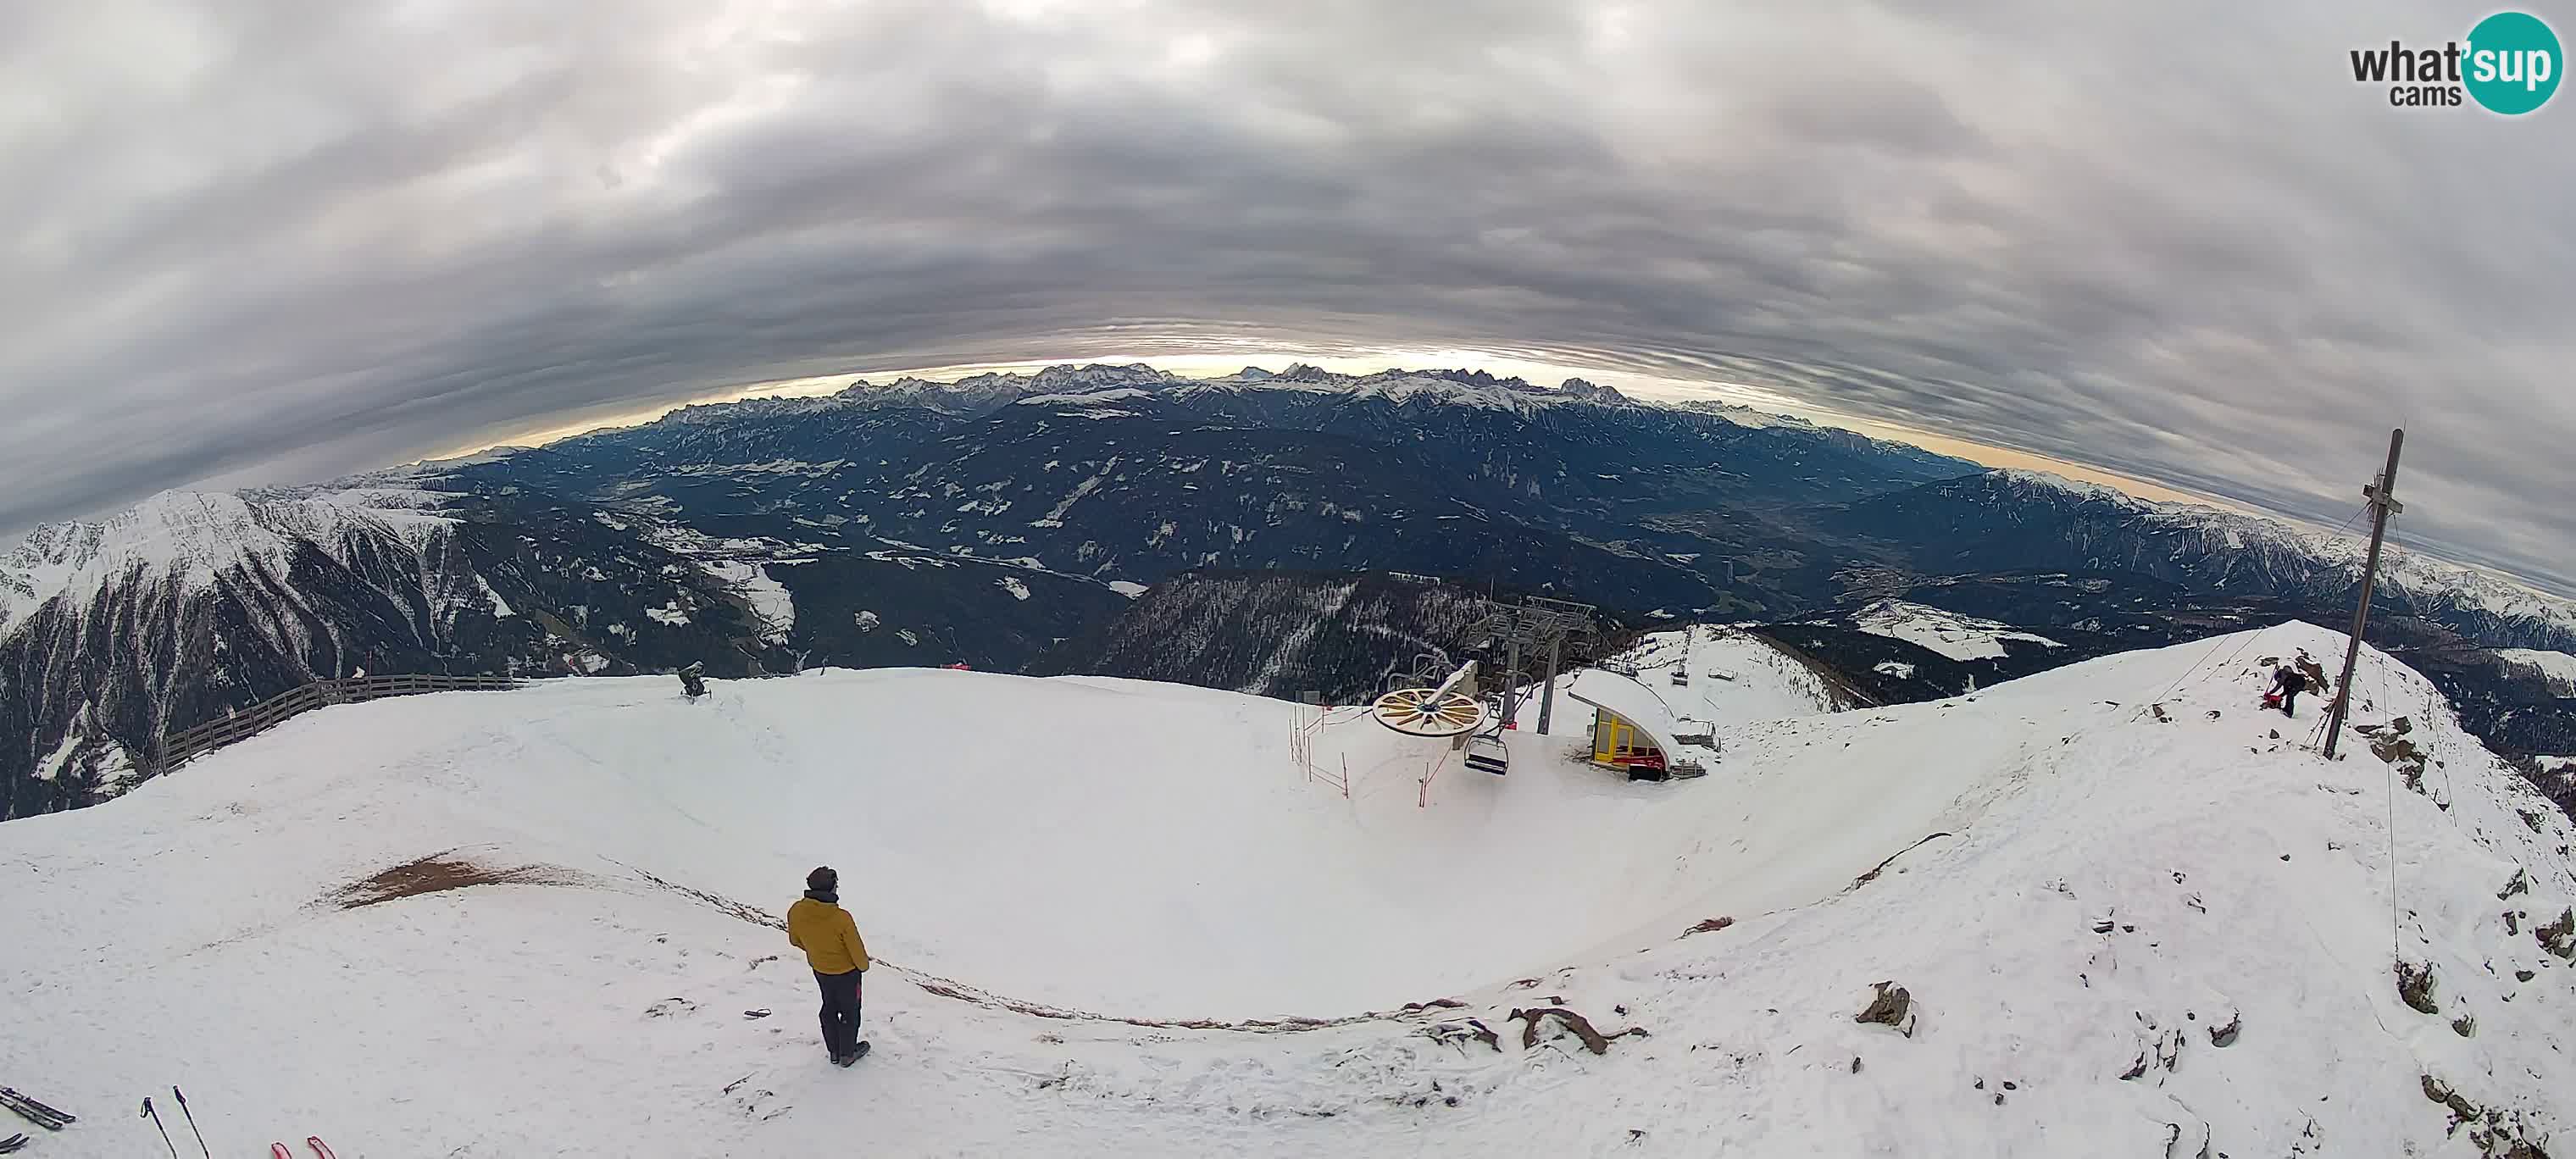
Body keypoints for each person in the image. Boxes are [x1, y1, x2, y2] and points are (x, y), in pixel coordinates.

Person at [788, 866, 871, 1066]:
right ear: (832, 888)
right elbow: (857, 952)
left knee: (829, 1007)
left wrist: (817, 952)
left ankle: (834, 1051)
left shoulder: (796, 911)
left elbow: (795, 941)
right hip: (847, 974)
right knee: (850, 1012)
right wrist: (862, 966)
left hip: (821, 970)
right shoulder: (841, 918)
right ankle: (847, 1054)